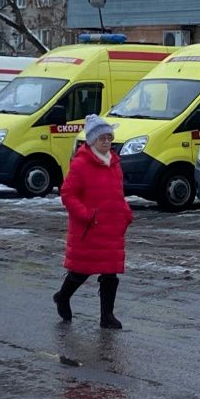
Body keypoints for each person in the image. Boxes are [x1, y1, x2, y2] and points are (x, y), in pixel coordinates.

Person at [52, 114, 133, 329]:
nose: (106, 142)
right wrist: (86, 214)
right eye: (102, 139)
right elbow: (68, 194)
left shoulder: (115, 163)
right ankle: (63, 297)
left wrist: (125, 212)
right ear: (91, 141)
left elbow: (118, 193)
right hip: (90, 227)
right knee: (81, 270)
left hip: (113, 227)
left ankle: (106, 316)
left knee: (110, 273)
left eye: (109, 138)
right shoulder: (81, 164)